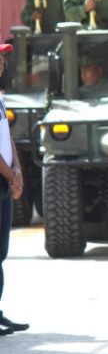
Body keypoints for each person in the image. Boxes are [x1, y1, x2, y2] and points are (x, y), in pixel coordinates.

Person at [0, 43, 31, 336]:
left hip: (4, 181)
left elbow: (7, 140)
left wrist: (17, 171)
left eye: (2, 58)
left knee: (1, 252)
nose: (1, 63)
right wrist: (11, 176)